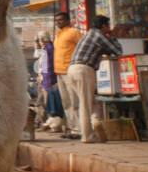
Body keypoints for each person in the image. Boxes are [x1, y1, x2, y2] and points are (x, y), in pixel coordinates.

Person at [66, 14, 123, 143]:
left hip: (73, 70)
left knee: (93, 102)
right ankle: (87, 136)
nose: (109, 28)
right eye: (108, 26)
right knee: (86, 104)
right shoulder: (99, 36)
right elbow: (118, 51)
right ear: (103, 26)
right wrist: (113, 36)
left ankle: (96, 125)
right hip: (83, 70)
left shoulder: (90, 34)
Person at [52, 12, 82, 137]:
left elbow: (81, 47)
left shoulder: (74, 32)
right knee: (66, 102)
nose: (58, 22)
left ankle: (79, 129)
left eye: (61, 20)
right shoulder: (58, 35)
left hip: (70, 70)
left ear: (68, 20)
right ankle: (71, 128)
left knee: (74, 101)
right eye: (56, 20)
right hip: (59, 72)